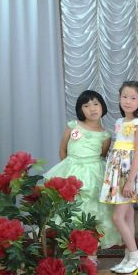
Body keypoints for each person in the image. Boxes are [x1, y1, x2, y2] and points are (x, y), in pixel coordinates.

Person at [45, 90, 122, 263]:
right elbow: (63, 150)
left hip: (94, 174)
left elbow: (102, 154)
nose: (92, 108)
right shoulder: (73, 126)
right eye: (86, 106)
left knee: (94, 212)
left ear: (102, 106)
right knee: (70, 212)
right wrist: (68, 170)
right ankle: (68, 252)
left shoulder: (105, 134)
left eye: (95, 104)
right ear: (80, 110)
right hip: (72, 172)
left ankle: (91, 254)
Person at [100, 81, 138, 274]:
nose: (128, 101)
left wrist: (130, 180)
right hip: (118, 171)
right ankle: (128, 256)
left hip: (129, 173)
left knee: (117, 217)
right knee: (128, 215)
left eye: (133, 98)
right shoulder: (119, 122)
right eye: (124, 96)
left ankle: (136, 257)